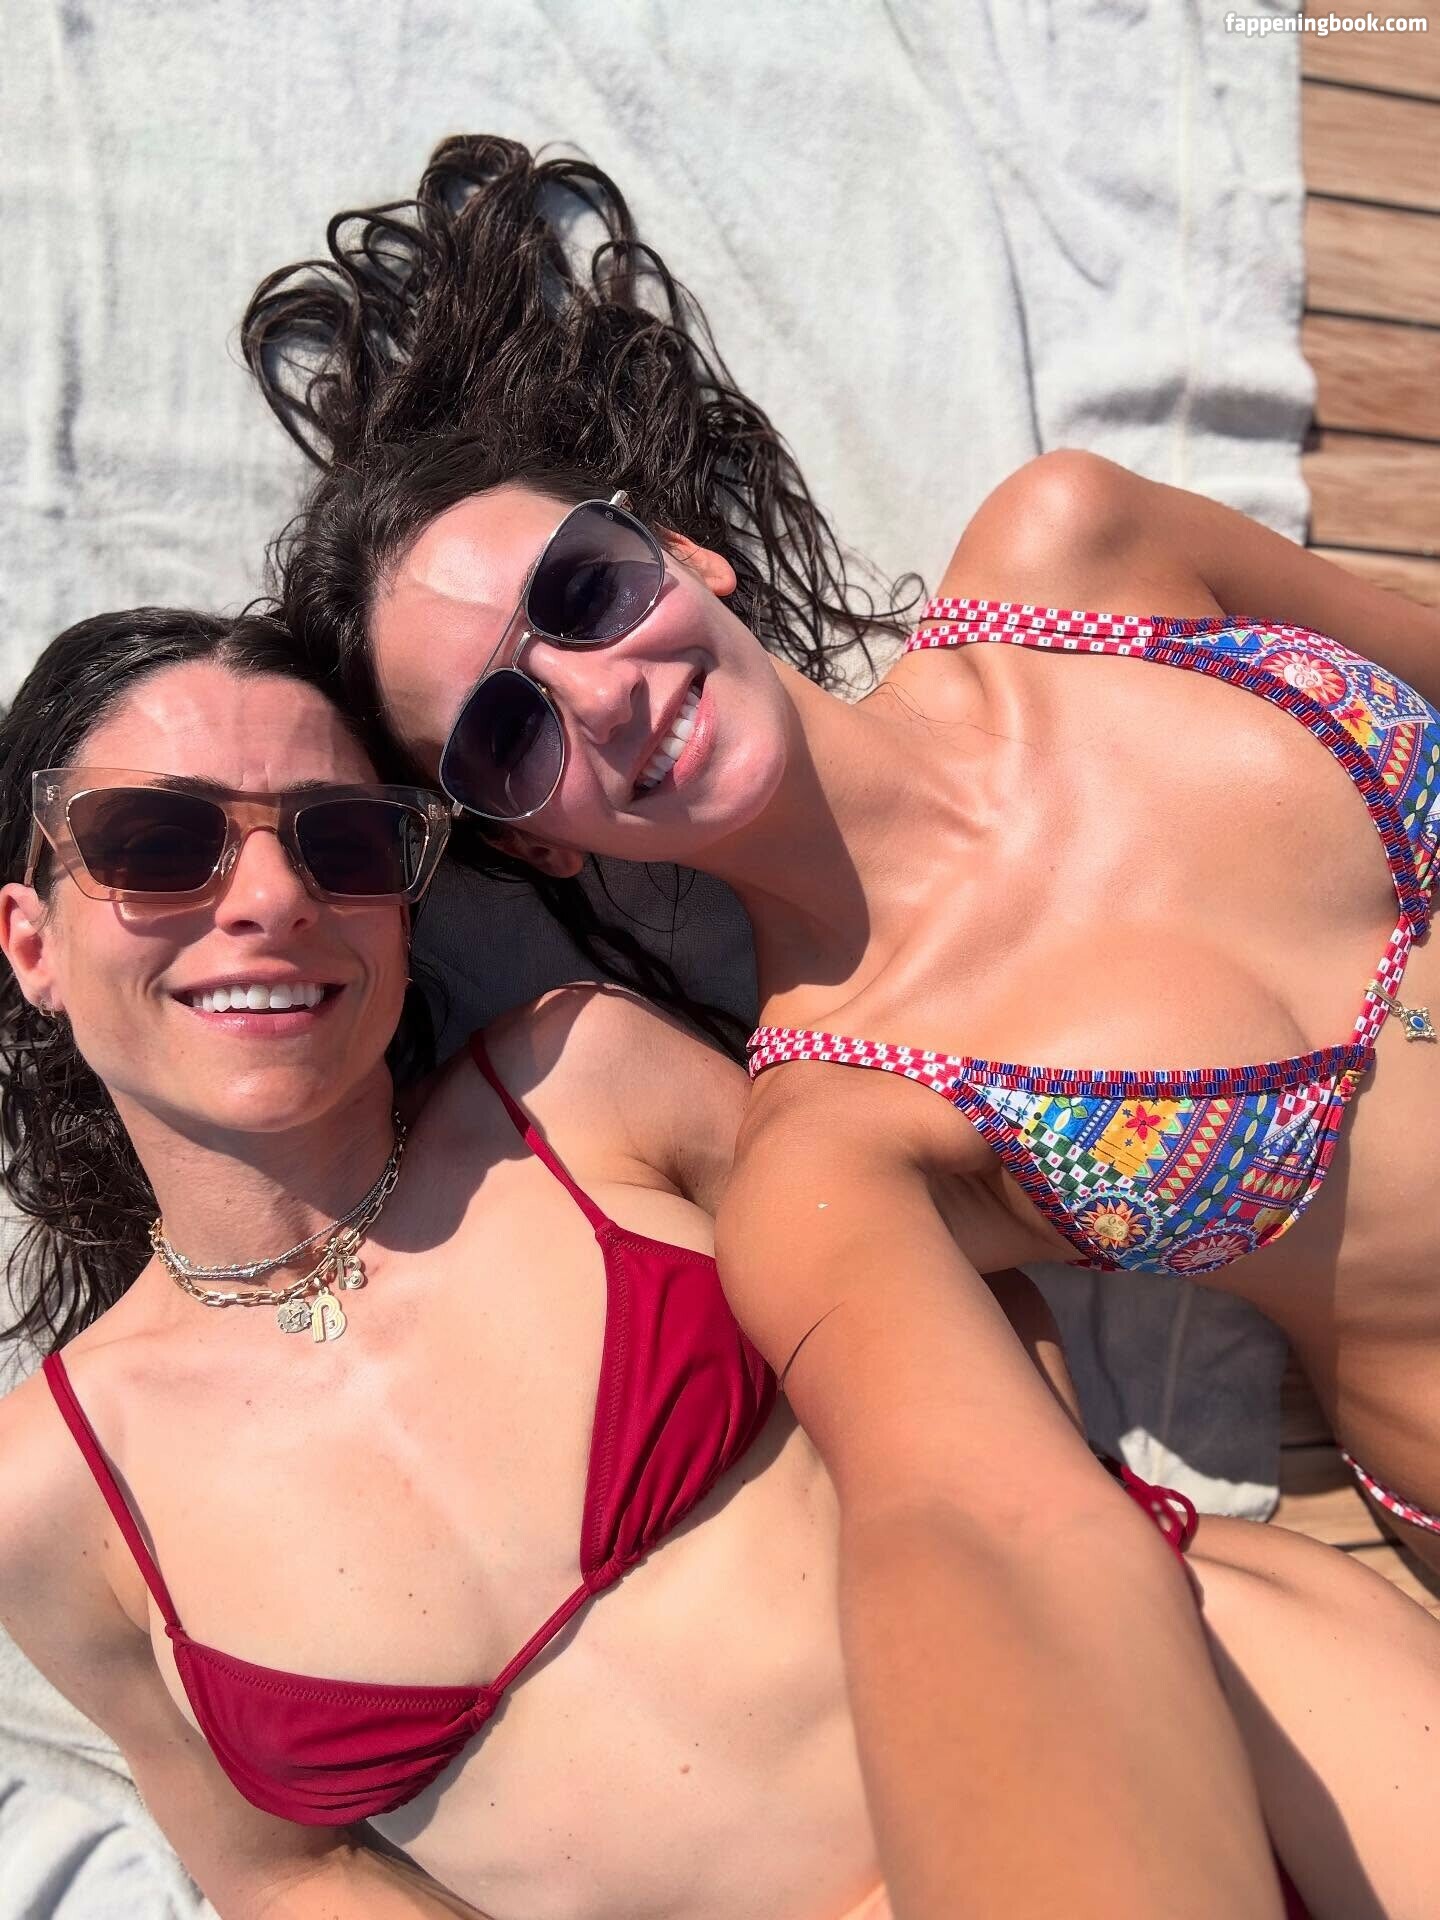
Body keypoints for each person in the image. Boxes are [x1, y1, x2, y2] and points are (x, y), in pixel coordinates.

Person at [241, 134, 1440, 1914]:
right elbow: (966, 1529)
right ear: (529, 836)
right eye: (508, 730)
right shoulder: (839, 1139)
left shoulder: (1079, 548)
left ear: (689, 556)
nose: (599, 693)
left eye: (584, 594)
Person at [3, 606, 1438, 1919]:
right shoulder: (47, 1489)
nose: (272, 896)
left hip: (1183, 1697)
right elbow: (285, 1873)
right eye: (158, 842)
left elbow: (951, 1288)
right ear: (32, 943)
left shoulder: (582, 1087)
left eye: (344, 842)